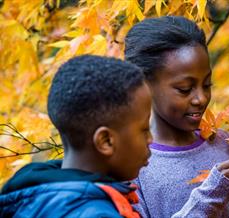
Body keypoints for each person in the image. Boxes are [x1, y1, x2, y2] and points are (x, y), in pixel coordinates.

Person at [125, 16, 229, 218]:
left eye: (207, 85)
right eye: (185, 89)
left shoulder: (223, 142)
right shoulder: (132, 167)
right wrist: (209, 198)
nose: (201, 98)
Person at [0, 55, 153, 217]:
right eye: (144, 130)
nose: (151, 139)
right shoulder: (96, 214)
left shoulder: (34, 198)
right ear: (106, 141)